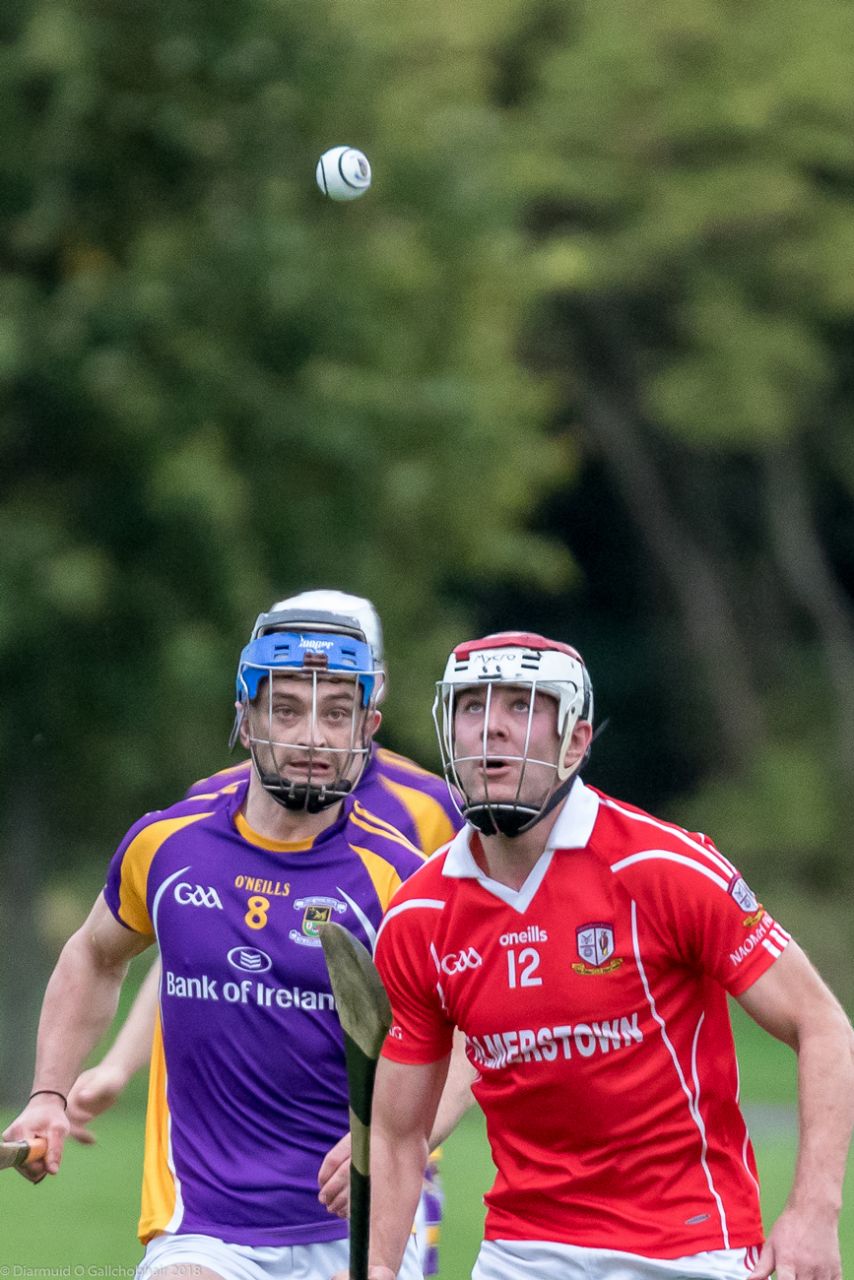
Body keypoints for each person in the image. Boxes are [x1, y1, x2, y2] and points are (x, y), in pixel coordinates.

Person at [334, 630, 854, 1280]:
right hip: (522, 1253)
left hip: (690, 1249)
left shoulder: (662, 869)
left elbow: (824, 1026)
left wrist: (812, 1211)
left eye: (522, 706)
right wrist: (379, 1268)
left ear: (575, 742)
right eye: (472, 707)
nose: (491, 727)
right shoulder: (419, 919)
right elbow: (398, 1133)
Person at [3, 605, 465, 1280]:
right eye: (286, 710)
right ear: (245, 718)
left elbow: (471, 1032)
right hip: (207, 1229)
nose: (313, 736)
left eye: (336, 713)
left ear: (368, 728)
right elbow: (94, 955)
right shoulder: (167, 846)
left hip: (360, 1222)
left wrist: (399, 1138)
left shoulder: (400, 877)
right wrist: (50, 1092)